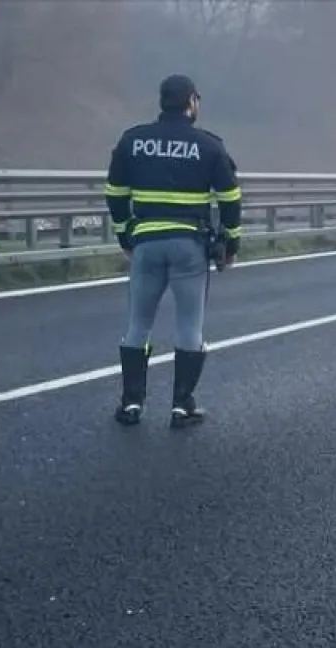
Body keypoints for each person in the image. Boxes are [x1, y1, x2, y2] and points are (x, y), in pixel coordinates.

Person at [103, 74, 242, 428]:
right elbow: (230, 198)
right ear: (191, 102)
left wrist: (125, 236)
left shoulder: (133, 140)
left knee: (138, 325)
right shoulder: (208, 146)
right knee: (189, 326)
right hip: (189, 247)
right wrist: (231, 244)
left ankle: (131, 404)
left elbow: (115, 193)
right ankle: (182, 407)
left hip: (146, 243)